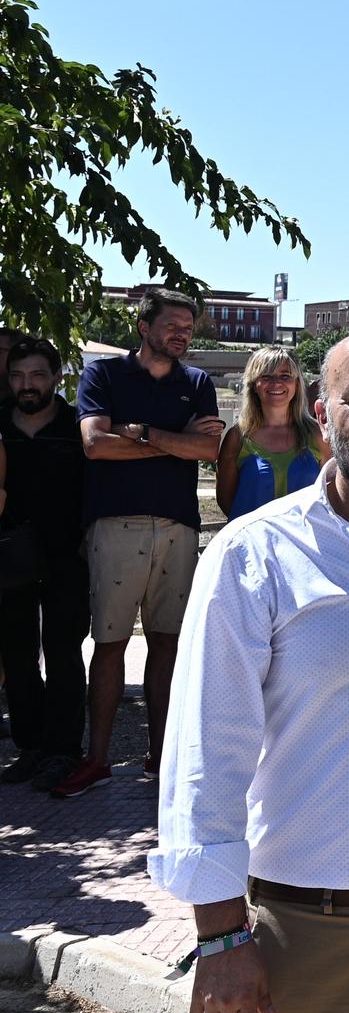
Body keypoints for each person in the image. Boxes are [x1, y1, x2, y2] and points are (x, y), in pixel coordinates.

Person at [57, 289, 222, 798]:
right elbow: (94, 445)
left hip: (178, 526)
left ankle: (162, 756)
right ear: (144, 327)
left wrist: (142, 434)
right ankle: (98, 758)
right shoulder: (103, 375)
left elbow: (210, 447)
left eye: (188, 328)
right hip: (114, 525)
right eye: (172, 324)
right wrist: (174, 443)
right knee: (108, 645)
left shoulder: (196, 382)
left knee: (168, 643)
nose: (181, 334)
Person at [0, 337, 90, 790]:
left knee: (64, 654)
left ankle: (63, 751)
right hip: (8, 558)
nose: (26, 385)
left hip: (66, 556)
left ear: (56, 377)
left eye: (37, 375)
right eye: (17, 376)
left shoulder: (78, 426)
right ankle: (30, 747)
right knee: (16, 656)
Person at [215, 347, 325, 520]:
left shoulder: (318, 435)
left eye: (285, 376)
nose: (276, 383)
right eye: (266, 376)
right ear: (254, 384)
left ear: (296, 384)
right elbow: (226, 500)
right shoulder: (237, 437)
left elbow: (332, 495)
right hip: (252, 544)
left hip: (304, 544)